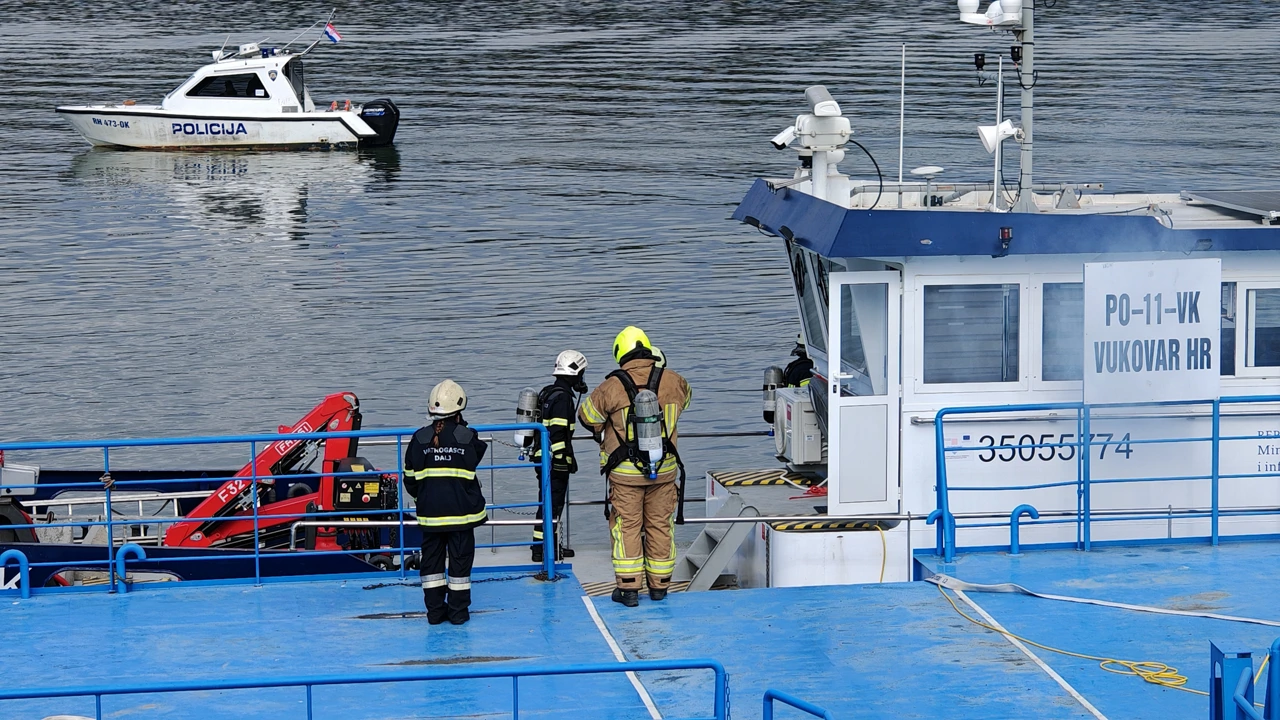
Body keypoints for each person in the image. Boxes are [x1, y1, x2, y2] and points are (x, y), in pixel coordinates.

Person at [579, 326, 691, 607]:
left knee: (626, 527)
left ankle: (629, 590)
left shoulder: (611, 386)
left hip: (625, 473)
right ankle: (660, 587)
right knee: (660, 526)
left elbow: (587, 417)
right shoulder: (674, 380)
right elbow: (685, 400)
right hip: (664, 470)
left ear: (620, 353)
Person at [403, 379, 488, 625]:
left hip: (430, 516)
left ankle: (435, 613)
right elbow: (475, 454)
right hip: (462, 517)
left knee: (431, 567)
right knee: (460, 568)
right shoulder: (466, 437)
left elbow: (410, 480)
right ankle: (459, 614)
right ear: (459, 409)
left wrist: (423, 499)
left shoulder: (418, 438)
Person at [529, 350, 589, 562]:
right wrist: (562, 460)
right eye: (581, 374)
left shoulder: (548, 392)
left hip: (542, 457)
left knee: (546, 503)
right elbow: (557, 433)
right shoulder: (563, 398)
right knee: (552, 505)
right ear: (574, 374)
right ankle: (542, 550)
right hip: (554, 461)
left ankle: (545, 545)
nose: (582, 379)